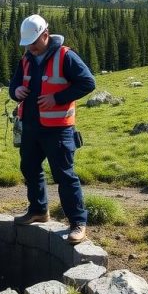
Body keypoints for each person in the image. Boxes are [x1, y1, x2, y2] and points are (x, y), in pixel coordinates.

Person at [9, 14, 96, 244]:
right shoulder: (26, 58)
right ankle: (38, 210)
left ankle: (78, 222)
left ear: (45, 35)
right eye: (27, 44)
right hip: (30, 126)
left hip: (58, 129)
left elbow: (88, 82)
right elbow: (14, 85)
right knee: (29, 167)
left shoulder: (66, 56)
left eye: (34, 43)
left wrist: (57, 98)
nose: (31, 48)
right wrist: (16, 91)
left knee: (64, 176)